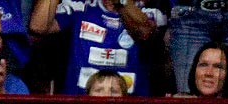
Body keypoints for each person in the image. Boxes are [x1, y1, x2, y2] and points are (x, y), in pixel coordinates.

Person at [28, 0, 159, 95]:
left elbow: (144, 33)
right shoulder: (80, 5)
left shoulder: (148, 9)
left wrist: (121, 2)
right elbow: (38, 26)